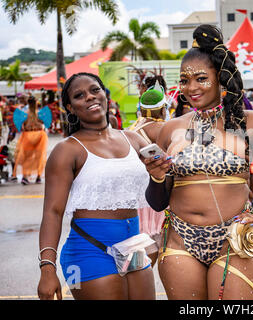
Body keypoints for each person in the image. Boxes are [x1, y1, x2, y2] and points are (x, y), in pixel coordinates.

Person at [143, 24, 253, 300]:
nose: (191, 87)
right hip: (180, 241)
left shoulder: (249, 123)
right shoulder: (170, 129)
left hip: (234, 241)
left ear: (220, 78)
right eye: (184, 80)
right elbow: (158, 201)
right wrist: (157, 177)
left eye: (200, 78)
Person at [37, 72, 156, 300]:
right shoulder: (66, 150)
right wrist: (47, 268)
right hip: (87, 251)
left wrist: (161, 174)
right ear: (70, 108)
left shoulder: (134, 140)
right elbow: (53, 212)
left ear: (105, 95)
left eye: (94, 90)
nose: (90, 97)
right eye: (80, 95)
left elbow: (160, 192)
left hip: (133, 246)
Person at [129, 78, 169, 266]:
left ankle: (136, 282)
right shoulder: (163, 128)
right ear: (162, 109)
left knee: (141, 240)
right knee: (154, 240)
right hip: (155, 190)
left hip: (137, 193)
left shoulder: (132, 128)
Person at [12, 96, 48, 185]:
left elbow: (22, 126)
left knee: (27, 157)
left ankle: (25, 177)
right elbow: (45, 123)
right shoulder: (40, 113)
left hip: (27, 135)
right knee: (39, 156)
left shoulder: (24, 114)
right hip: (39, 135)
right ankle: (38, 177)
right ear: (36, 103)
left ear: (28, 103)